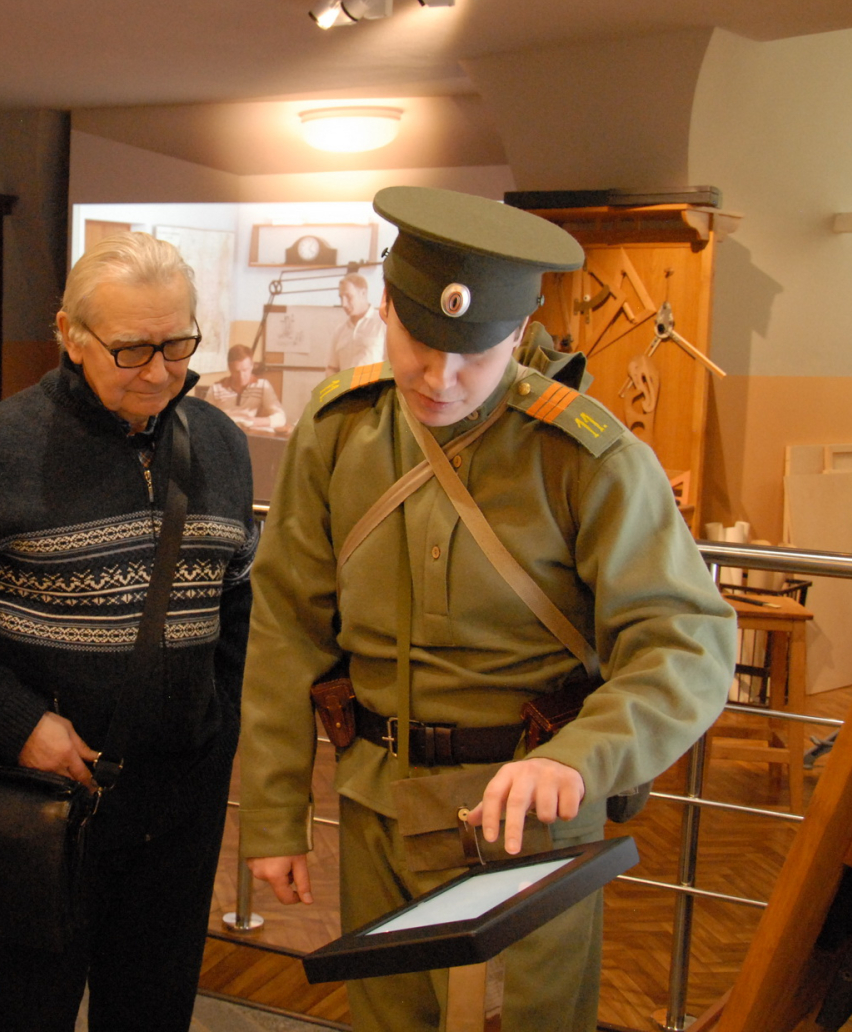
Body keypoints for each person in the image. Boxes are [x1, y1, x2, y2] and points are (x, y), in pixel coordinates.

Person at [238, 187, 736, 1032]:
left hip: (524, 821)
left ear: (519, 332)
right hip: (373, 803)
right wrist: (275, 815)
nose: (441, 379)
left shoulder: (586, 456)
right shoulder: (339, 429)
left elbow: (685, 646)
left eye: (474, 354)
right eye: (420, 344)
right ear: (385, 308)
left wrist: (579, 759)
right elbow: (287, 627)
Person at [0, 231, 257, 1032]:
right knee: (31, 1013)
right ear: (69, 335)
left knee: (155, 1014)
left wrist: (217, 727)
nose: (159, 372)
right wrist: (20, 725)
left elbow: (235, 601)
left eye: (177, 344)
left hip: (181, 803)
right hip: (47, 797)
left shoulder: (220, 443)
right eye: (130, 349)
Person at [207, 343, 285, 432]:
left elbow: (280, 418)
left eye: (245, 370)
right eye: (237, 371)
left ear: (252, 366)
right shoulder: (216, 388)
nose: (241, 377)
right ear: (230, 368)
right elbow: (204, 418)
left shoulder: (262, 386)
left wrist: (255, 422)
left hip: (250, 434)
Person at [326, 272, 384, 375]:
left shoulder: (383, 324)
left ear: (363, 293)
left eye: (348, 297)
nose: (344, 304)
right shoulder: (339, 332)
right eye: (341, 298)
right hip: (345, 386)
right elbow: (332, 369)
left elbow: (394, 365)